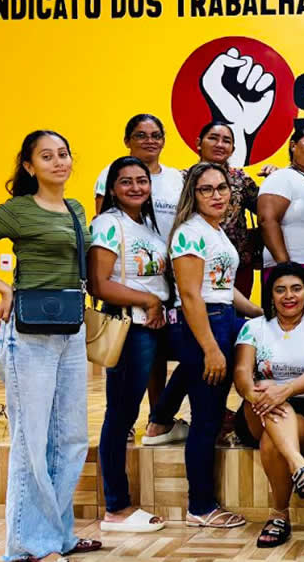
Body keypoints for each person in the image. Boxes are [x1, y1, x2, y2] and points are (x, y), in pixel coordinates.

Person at [0, 131, 101, 561]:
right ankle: (29, 544)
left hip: (70, 330)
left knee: (70, 438)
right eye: (47, 156)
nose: (58, 162)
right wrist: (3, 288)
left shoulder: (75, 209)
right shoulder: (17, 209)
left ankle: (59, 536)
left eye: (63, 154)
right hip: (29, 335)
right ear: (30, 167)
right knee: (32, 439)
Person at [166, 162, 262, 528]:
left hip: (224, 317)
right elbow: (191, 295)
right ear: (193, 194)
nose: (217, 195)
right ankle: (200, 507)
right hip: (203, 323)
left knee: (212, 410)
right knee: (206, 419)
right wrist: (209, 348)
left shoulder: (215, 230)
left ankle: (160, 418)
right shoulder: (189, 233)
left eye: (222, 188)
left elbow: (222, 286)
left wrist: (256, 312)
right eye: (206, 189)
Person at [233, 262, 304, 548]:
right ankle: (299, 465)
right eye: (280, 290)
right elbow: (242, 372)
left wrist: (284, 390)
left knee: (272, 441)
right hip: (257, 407)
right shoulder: (254, 327)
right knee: (264, 390)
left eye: (296, 289)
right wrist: (254, 394)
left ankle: (279, 515)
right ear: (270, 294)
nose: (288, 296)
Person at [89, 156, 168, 533]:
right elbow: (99, 283)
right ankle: (116, 507)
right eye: (126, 182)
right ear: (112, 188)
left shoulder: (146, 224)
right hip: (129, 327)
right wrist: (147, 300)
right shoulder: (108, 224)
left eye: (142, 181)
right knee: (120, 416)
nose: (136, 187)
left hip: (152, 325)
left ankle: (163, 421)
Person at [93, 114, 183, 421]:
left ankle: (158, 419)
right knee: (124, 365)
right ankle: (121, 423)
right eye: (141, 135)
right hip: (128, 285)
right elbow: (107, 229)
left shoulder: (176, 178)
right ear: (127, 140)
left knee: (156, 356)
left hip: (164, 275)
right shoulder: (111, 180)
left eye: (156, 135)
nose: (150, 141)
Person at [258, 125, 304, 307]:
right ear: (293, 145)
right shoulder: (281, 177)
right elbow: (267, 221)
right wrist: (286, 269)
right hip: (291, 269)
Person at [196, 120, 262, 298]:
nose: (220, 144)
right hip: (197, 262)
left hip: (238, 265)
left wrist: (277, 181)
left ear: (232, 149)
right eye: (213, 138)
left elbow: (267, 211)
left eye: (226, 141)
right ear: (199, 143)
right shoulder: (184, 180)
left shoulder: (241, 179)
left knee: (239, 313)